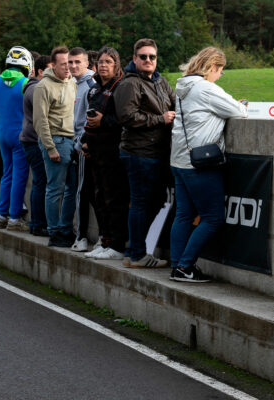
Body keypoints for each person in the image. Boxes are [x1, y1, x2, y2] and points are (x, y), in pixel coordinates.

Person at [168, 47, 247, 283]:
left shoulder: (183, 86)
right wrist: (240, 104)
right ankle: (185, 266)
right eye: (220, 70)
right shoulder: (206, 88)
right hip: (200, 163)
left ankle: (177, 265)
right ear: (212, 67)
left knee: (183, 215)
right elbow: (239, 111)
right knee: (212, 218)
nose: (220, 75)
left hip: (179, 159)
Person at [114, 38, 175, 268]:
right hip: (139, 152)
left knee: (156, 201)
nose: (148, 60)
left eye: (152, 56)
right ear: (134, 59)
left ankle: (133, 251)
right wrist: (160, 119)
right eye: (143, 56)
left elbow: (176, 104)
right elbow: (126, 117)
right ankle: (138, 254)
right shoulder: (130, 83)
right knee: (141, 203)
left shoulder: (160, 81)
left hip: (156, 152)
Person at [81, 46, 129, 260]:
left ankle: (117, 245)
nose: (103, 66)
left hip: (114, 153)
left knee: (114, 200)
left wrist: (104, 121)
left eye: (108, 62)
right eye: (100, 62)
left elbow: (126, 119)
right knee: (100, 198)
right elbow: (90, 119)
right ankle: (105, 240)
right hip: (96, 152)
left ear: (116, 65)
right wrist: (85, 140)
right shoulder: (96, 88)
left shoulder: (122, 87)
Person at [33, 46, 78, 247]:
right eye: (64, 64)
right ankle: (54, 232)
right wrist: (50, 147)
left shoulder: (72, 82)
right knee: (55, 189)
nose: (68, 67)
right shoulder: (43, 87)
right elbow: (40, 120)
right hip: (56, 140)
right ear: (53, 65)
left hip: (72, 141)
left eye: (71, 63)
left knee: (73, 188)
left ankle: (65, 228)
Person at [0, 46, 32, 231]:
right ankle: (14, 218)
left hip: (3, 134)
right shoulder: (24, 83)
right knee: (19, 176)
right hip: (20, 135)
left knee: (6, 174)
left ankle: (1, 215)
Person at [68, 47, 98, 252]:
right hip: (76, 144)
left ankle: (82, 237)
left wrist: (80, 144)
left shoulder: (90, 85)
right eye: (70, 62)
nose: (73, 66)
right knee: (85, 192)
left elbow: (90, 119)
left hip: (85, 147)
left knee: (82, 192)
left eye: (78, 62)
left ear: (87, 63)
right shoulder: (73, 83)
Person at [19, 54, 52, 237]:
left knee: (39, 182)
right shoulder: (35, 89)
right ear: (40, 71)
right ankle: (38, 223)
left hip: (30, 140)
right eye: (50, 69)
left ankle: (36, 223)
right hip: (33, 141)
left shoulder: (31, 87)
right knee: (41, 182)